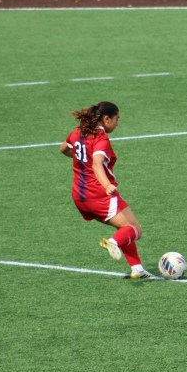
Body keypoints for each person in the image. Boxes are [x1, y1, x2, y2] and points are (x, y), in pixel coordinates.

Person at [60, 101, 157, 278]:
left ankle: (137, 269)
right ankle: (112, 242)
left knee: (126, 227)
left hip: (80, 197)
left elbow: (64, 149)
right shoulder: (101, 138)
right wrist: (106, 185)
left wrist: (81, 158)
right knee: (135, 230)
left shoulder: (79, 131)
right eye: (116, 119)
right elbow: (97, 163)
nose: (118, 123)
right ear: (106, 119)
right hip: (99, 195)